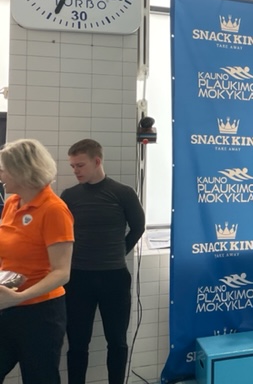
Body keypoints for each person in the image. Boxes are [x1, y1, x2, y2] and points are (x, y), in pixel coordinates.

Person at [60, 139, 145, 384]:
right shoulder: (69, 196)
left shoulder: (123, 193)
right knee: (77, 343)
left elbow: (138, 227)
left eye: (80, 165)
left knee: (117, 342)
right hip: (78, 278)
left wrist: (118, 252)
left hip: (114, 277)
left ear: (97, 161)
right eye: (72, 166)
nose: (75, 171)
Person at [0, 138, 74, 384]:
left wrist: (20, 297)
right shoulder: (11, 203)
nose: (1, 175)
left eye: (4, 169)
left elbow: (62, 272)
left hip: (41, 314)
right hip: (8, 308)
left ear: (22, 171)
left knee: (40, 378)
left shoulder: (54, 210)